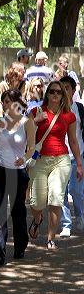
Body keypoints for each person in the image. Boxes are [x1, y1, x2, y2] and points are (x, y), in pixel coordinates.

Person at [29, 80, 83, 250]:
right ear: (47, 94)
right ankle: (38, 220)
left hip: (61, 160)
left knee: (56, 198)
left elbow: (73, 141)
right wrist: (35, 121)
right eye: (52, 91)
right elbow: (25, 133)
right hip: (40, 160)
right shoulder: (36, 111)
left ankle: (51, 237)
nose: (55, 95)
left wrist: (79, 164)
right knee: (36, 202)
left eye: (59, 92)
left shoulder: (69, 115)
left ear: (63, 96)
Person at [0, 89, 35, 266]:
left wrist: (24, 158)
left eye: (7, 101)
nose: (5, 105)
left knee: (18, 211)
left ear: (16, 103)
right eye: (3, 101)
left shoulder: (26, 122)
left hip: (18, 172)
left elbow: (32, 147)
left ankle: (20, 244)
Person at [59, 76, 84, 237]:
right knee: (60, 193)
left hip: (78, 156)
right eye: (62, 88)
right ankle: (66, 224)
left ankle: (80, 216)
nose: (63, 91)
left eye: (67, 88)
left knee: (76, 191)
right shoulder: (55, 109)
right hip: (59, 157)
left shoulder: (80, 108)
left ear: (73, 91)